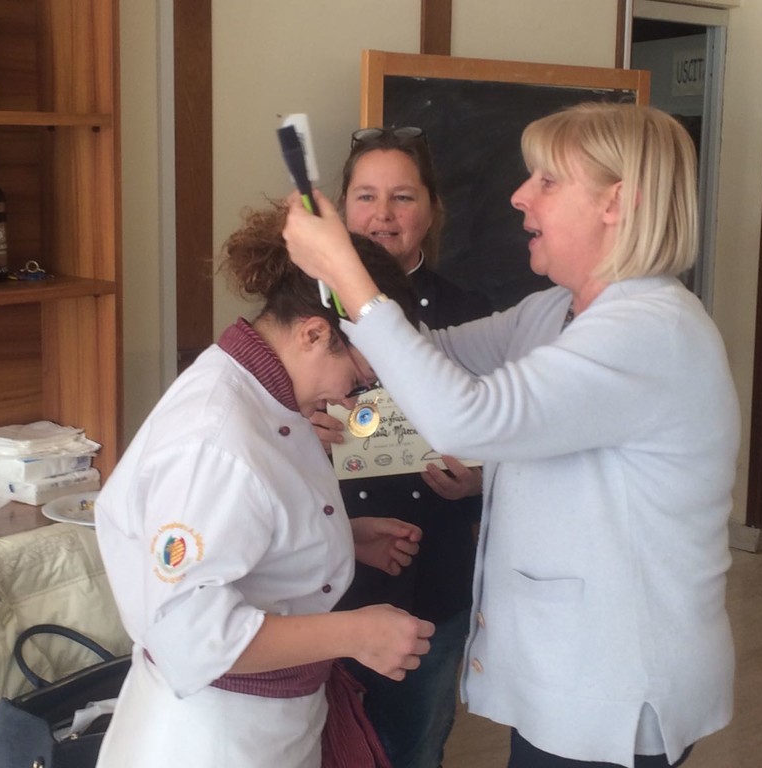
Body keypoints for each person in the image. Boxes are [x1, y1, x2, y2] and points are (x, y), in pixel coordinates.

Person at [284, 102, 741, 768]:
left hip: (616, 683)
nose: (520, 196)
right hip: (570, 673)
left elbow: (466, 417)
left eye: (547, 181)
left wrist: (347, 274)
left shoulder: (650, 330)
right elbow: (427, 352)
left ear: (617, 202)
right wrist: (335, 279)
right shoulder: (555, 311)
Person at [94, 202, 436, 768]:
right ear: (314, 333)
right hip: (211, 736)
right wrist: (354, 634)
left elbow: (246, 524)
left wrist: (339, 537)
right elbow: (189, 636)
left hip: (270, 724)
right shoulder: (213, 441)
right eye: (358, 379)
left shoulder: (265, 392)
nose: (351, 398)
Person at [311, 125, 492, 768]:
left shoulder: (472, 315)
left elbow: (505, 434)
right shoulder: (302, 310)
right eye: (366, 196)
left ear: (431, 210)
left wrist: (481, 480)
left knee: (415, 747)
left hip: (433, 575)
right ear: (342, 208)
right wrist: (297, 430)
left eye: (402, 197)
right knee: (319, 747)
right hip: (324, 578)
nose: (382, 215)